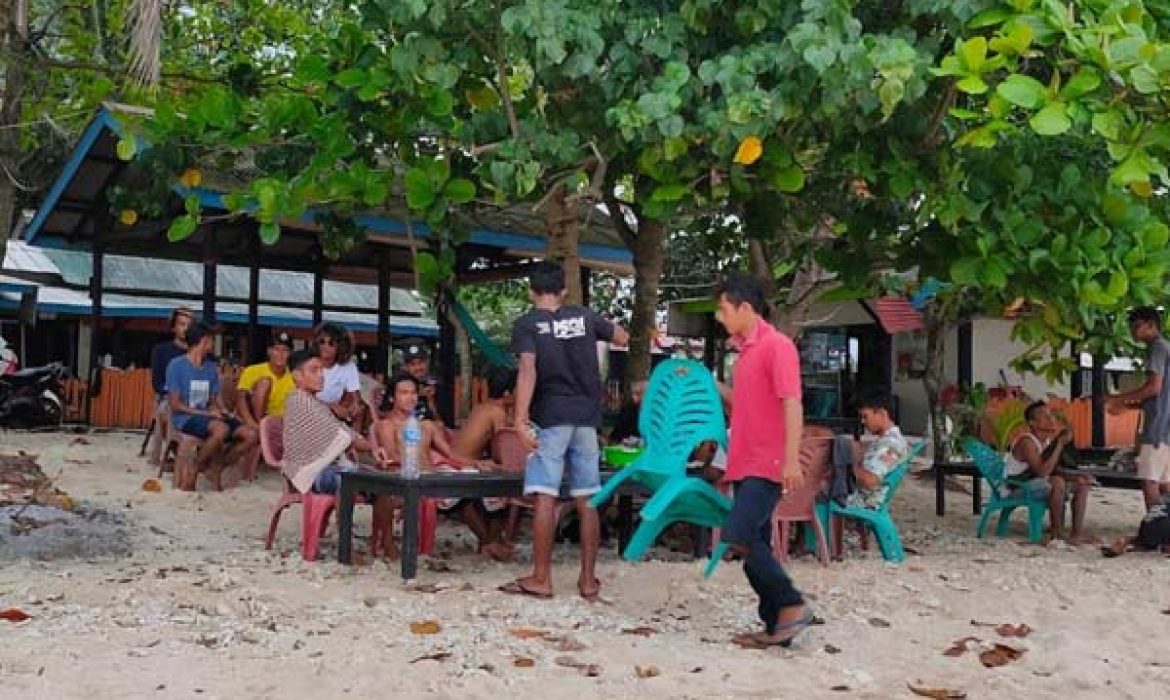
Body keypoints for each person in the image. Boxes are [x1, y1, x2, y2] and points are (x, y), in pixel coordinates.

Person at [500, 260, 629, 601]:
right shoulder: (585, 317)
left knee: (545, 495)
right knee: (587, 498)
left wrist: (520, 419)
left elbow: (527, 370)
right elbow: (621, 336)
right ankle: (588, 581)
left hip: (552, 417)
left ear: (531, 292)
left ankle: (541, 578)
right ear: (563, 291)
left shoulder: (527, 324)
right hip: (587, 418)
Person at [713, 273, 813, 649]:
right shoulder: (745, 354)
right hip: (746, 459)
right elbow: (745, 406)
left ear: (745, 308)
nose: (720, 317)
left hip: (767, 461)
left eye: (723, 309)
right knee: (752, 539)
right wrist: (709, 384)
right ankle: (776, 624)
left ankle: (790, 604)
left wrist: (790, 460)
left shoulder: (777, 346)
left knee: (738, 534)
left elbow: (792, 402)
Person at [375, 372, 513, 561]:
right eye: (404, 393)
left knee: (474, 484)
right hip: (404, 480)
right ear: (392, 397)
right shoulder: (387, 425)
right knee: (455, 492)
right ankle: (489, 543)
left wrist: (478, 463)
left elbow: (452, 454)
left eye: (414, 392)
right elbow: (391, 454)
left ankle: (489, 542)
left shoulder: (427, 426)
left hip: (433, 479)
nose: (411, 397)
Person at [281, 348, 397, 558]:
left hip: (328, 467)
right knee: (348, 479)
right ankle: (345, 545)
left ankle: (387, 543)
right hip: (308, 471)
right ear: (297, 376)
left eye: (321, 370)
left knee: (382, 482)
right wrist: (368, 447)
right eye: (314, 370)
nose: (321, 375)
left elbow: (346, 433)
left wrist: (373, 450)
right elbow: (342, 435)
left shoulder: (316, 402)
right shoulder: (298, 399)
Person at [165, 321, 258, 491]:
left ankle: (216, 466)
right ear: (204, 341)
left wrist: (221, 411)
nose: (213, 344)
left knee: (251, 435)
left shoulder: (210, 368)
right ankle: (195, 467)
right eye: (211, 340)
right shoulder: (176, 365)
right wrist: (208, 415)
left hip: (209, 417)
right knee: (220, 430)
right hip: (186, 418)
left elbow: (212, 402)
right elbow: (175, 404)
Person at [1002, 401, 1093, 543]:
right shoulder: (1027, 441)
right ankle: (1056, 532)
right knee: (1057, 482)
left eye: (1050, 415)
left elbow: (1055, 469)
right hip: (1016, 487)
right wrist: (1060, 445)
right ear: (1032, 423)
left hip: (1036, 483)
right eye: (1044, 416)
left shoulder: (1047, 442)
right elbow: (1042, 472)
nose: (1050, 419)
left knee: (1082, 484)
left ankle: (1077, 534)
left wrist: (1077, 476)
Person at [1108, 306, 1170, 510]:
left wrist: (1120, 399)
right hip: (1165, 426)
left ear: (1151, 325)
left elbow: (1153, 387)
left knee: (1149, 479)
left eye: (1136, 326)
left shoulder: (1158, 348)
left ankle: (1153, 529)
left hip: (1158, 426)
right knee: (1165, 482)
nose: (1133, 332)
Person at [847, 391, 909, 510]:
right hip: (864, 498)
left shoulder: (889, 445)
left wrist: (849, 464)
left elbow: (870, 481)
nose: (862, 421)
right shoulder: (890, 441)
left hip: (861, 502)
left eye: (865, 416)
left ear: (882, 414)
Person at [146, 307, 194, 463]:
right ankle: (175, 451)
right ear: (174, 327)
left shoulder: (201, 353)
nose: (186, 329)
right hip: (168, 397)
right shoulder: (161, 350)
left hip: (196, 399)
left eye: (189, 325)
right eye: (182, 324)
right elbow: (157, 383)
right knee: (166, 408)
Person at [450, 365, 517, 462]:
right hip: (463, 466)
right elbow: (501, 453)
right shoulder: (497, 413)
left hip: (454, 458)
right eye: (517, 390)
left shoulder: (479, 408)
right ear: (506, 393)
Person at [236, 330, 295, 425]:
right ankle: (261, 426)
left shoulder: (294, 376)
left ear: (290, 353)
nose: (280, 354)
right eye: (276, 349)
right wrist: (252, 424)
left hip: (280, 422)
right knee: (265, 382)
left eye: (285, 350)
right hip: (252, 420)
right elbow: (240, 399)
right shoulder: (252, 370)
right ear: (269, 351)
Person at [313, 322, 362, 424]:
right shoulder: (308, 362)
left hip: (333, 416)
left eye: (331, 343)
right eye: (322, 342)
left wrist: (354, 406)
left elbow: (355, 398)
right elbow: (302, 398)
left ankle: (356, 437)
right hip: (309, 412)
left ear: (341, 347)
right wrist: (331, 407)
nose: (325, 346)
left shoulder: (348, 367)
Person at [1100, 493, 1170, 557]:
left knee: (1145, 538)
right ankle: (1164, 545)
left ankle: (1127, 540)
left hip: (1147, 524)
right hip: (1163, 525)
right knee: (1160, 531)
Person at [402, 343, 443, 423]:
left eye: (420, 363)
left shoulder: (438, 386)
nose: (418, 367)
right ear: (406, 367)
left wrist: (430, 399)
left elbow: (443, 422)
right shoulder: (398, 387)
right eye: (413, 364)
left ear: (427, 363)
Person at [607, 380, 648, 445]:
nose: (633, 398)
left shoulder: (656, 412)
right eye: (632, 394)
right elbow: (615, 436)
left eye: (638, 394)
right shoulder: (628, 410)